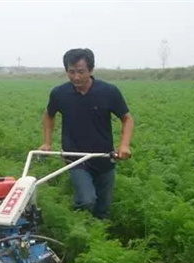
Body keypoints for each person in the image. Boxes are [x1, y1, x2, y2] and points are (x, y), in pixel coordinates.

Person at [39, 48, 134, 219]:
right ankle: (74, 226)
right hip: (75, 156)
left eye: (81, 72)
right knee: (86, 200)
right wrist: (47, 143)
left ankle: (95, 237)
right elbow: (48, 115)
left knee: (103, 209)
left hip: (104, 155)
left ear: (91, 70)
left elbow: (127, 118)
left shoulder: (108, 92)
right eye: (71, 72)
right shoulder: (60, 93)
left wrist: (124, 145)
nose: (76, 77)